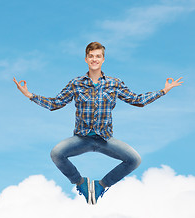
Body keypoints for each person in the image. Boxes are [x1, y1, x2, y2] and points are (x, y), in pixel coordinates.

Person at [13, 42, 183, 205]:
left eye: (98, 56)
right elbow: (56, 103)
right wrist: (30, 95)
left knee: (134, 160)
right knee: (56, 153)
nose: (94, 59)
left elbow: (137, 100)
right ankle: (81, 184)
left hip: (105, 139)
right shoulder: (76, 83)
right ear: (86, 59)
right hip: (81, 139)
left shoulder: (114, 83)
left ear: (103, 60)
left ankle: (101, 186)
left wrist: (163, 91)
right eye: (91, 56)